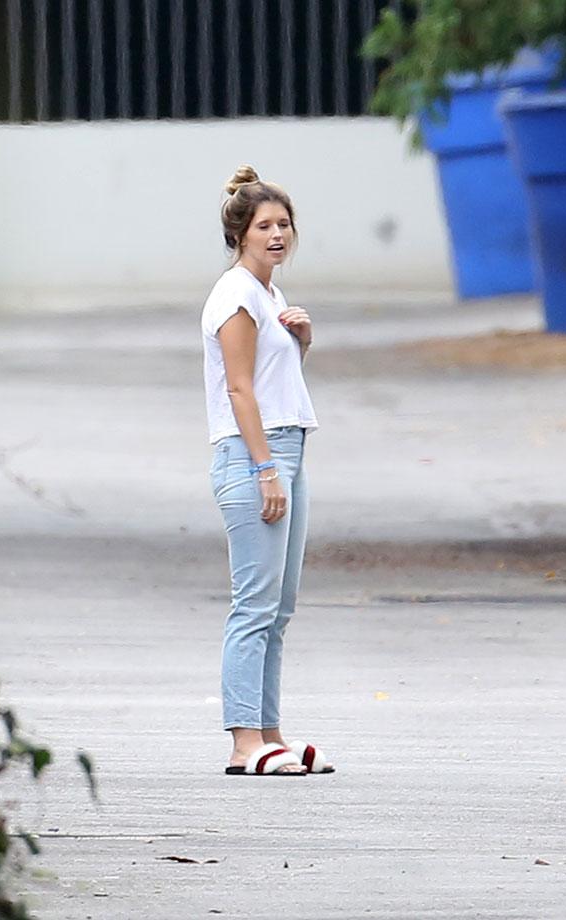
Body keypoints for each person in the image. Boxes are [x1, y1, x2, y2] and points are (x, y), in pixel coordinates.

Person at [202, 165, 331, 777]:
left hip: (288, 448)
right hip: (254, 452)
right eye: (265, 226)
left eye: (284, 225)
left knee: (280, 607)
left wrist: (300, 341)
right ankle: (243, 742)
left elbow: (276, 381)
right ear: (240, 234)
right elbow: (238, 388)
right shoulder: (235, 296)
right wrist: (264, 470)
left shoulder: (270, 295)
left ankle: (271, 731)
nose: (277, 234)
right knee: (253, 605)